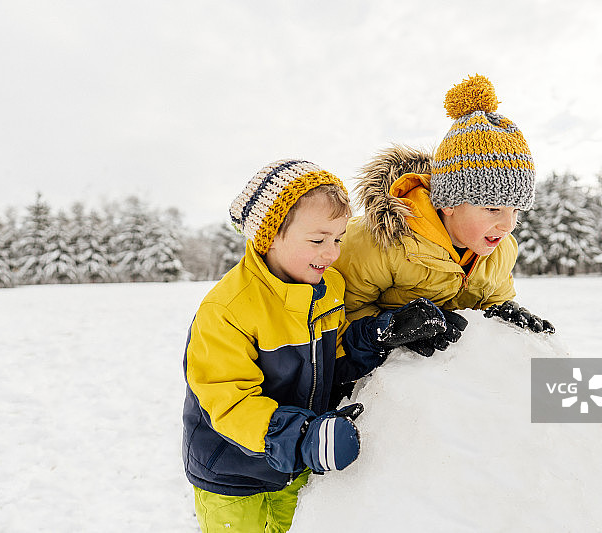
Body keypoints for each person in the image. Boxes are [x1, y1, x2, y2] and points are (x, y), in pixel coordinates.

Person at [182, 159, 447, 533]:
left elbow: (335, 357)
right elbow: (229, 403)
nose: (332, 252)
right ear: (269, 235)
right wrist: (305, 436)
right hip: (234, 476)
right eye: (318, 240)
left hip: (297, 467)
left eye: (338, 239)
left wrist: (381, 333)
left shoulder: (329, 288)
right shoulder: (227, 309)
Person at [334, 74, 554, 359]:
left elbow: (494, 296)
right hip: (378, 377)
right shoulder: (378, 240)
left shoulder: (502, 250)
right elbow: (340, 313)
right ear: (448, 203)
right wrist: (389, 328)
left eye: (516, 210)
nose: (508, 225)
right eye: (493, 208)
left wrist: (502, 314)